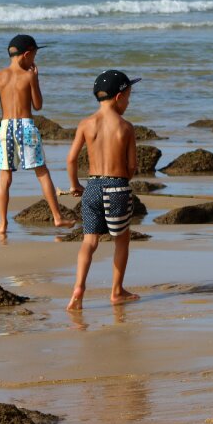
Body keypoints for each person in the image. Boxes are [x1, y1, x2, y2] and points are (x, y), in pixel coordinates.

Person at [0, 34, 74, 235]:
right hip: (26, 127)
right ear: (27, 54)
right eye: (34, 55)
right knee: (42, 173)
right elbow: (37, 106)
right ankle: (57, 217)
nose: (35, 60)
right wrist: (35, 80)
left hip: (6, 129)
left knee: (5, 178)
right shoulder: (29, 76)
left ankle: (2, 225)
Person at [65, 70, 141, 311]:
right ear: (119, 97)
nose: (129, 101)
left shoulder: (86, 124)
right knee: (122, 240)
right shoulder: (126, 127)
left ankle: (79, 287)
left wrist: (75, 185)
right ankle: (116, 291)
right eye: (129, 96)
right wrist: (122, 180)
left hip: (92, 187)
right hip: (117, 187)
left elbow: (71, 159)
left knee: (89, 241)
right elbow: (131, 168)